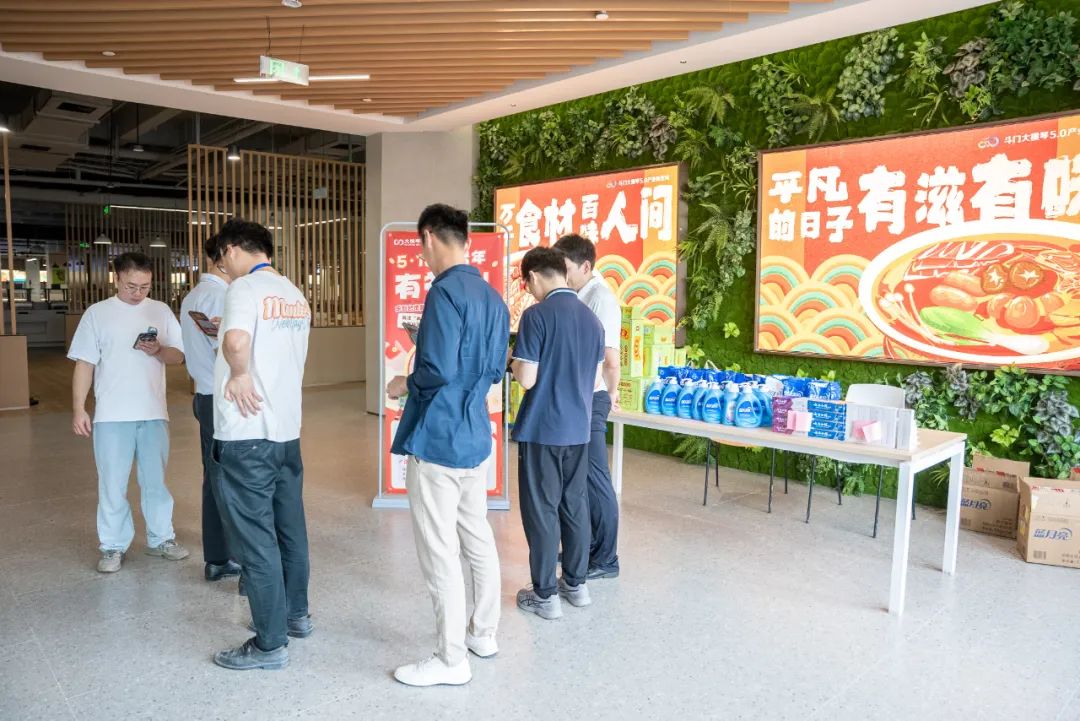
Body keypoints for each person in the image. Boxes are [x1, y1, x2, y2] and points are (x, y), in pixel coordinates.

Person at [386, 204, 509, 688]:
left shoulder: (443, 293)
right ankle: (484, 634)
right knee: (477, 536)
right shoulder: (493, 297)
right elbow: (494, 370)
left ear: (428, 237)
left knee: (440, 551)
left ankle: (450, 658)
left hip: (438, 438)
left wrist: (404, 382)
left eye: (422, 246)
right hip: (475, 434)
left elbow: (435, 368)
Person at [208, 219, 313, 672]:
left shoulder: (244, 289)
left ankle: (270, 644)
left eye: (222, 259)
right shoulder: (294, 293)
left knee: (255, 540)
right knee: (290, 529)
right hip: (286, 433)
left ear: (232, 249)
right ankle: (296, 616)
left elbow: (236, 340)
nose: (223, 268)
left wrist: (239, 373)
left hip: (247, 433)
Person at [69, 251, 189, 573]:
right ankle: (112, 545)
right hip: (111, 414)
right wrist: (79, 408)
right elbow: (84, 364)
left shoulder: (161, 310)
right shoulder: (97, 314)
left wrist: (159, 350)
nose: (138, 293)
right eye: (130, 286)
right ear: (117, 279)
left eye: (144, 287)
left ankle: (161, 538)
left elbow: (178, 356)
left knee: (156, 481)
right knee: (112, 483)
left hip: (153, 411)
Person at [510, 247, 605, 620]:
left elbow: (527, 378)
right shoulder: (591, 319)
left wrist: (513, 363)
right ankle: (576, 585)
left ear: (533, 276)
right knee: (574, 504)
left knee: (542, 510)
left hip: (543, 429)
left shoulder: (536, 316)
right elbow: (593, 380)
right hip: (579, 430)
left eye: (526, 284)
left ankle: (545, 595)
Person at [553, 234, 621, 580]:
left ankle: (606, 559)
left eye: (565, 268)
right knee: (580, 479)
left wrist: (611, 393)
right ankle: (587, 547)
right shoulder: (580, 294)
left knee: (596, 479)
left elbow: (609, 356)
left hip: (592, 398)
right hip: (580, 397)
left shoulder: (600, 298)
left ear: (586, 266)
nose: (560, 275)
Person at [179, 234, 243, 591]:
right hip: (222, 398)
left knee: (214, 475)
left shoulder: (194, 295)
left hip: (204, 395)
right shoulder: (221, 297)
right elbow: (230, 350)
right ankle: (230, 555)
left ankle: (219, 557)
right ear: (225, 258)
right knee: (230, 477)